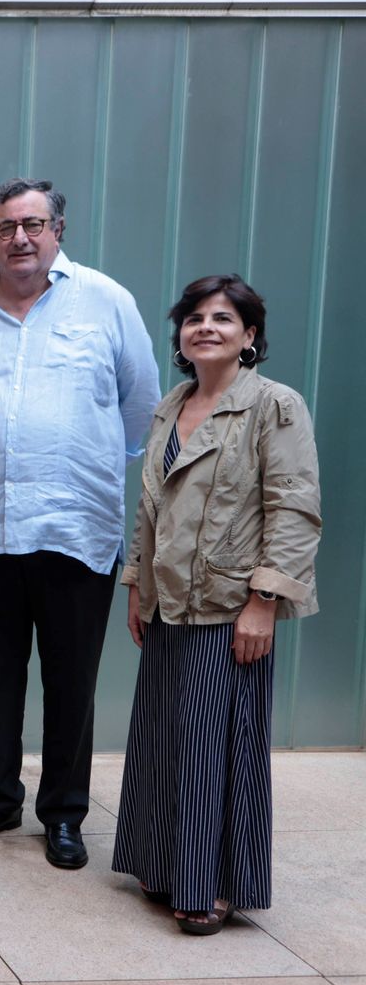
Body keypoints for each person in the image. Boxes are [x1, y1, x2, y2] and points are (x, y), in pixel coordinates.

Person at [0, 178, 160, 870]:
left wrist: (83, 464)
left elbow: (142, 408)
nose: (21, 238)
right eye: (6, 227)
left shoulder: (106, 300)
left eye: (34, 223)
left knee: (71, 680)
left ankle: (64, 814)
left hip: (75, 527)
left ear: (58, 229)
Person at [112, 275, 320, 934]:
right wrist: (138, 582)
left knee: (211, 746)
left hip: (229, 603)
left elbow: (293, 505)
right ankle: (164, 863)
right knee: (164, 737)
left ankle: (210, 885)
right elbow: (150, 504)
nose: (206, 327)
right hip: (169, 601)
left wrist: (264, 601)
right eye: (194, 317)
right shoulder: (171, 405)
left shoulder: (274, 405)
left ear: (250, 335)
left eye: (223, 318)